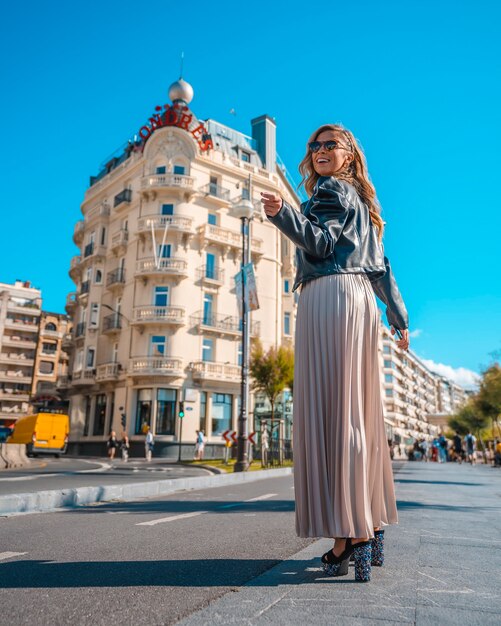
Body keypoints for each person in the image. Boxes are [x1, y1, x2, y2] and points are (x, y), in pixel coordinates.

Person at [262, 123, 409, 582]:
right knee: (357, 415)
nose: (321, 151)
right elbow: (381, 267)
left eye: (331, 145)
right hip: (360, 300)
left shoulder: (330, 192)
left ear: (349, 155)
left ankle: (351, 534)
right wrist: (399, 318)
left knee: (332, 417)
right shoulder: (364, 204)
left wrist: (283, 213)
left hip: (329, 298)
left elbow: (320, 242)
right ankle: (365, 524)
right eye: (315, 146)